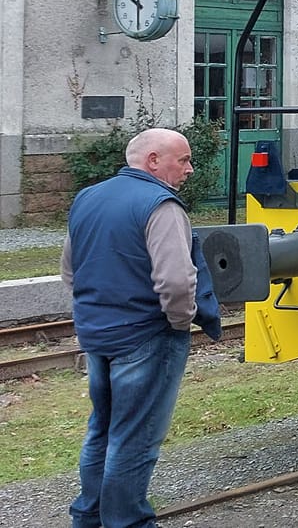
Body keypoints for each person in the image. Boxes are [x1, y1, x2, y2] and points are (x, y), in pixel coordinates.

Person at [62, 128, 223, 528]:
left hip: (98, 334)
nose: (190, 168)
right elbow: (175, 280)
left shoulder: (88, 197)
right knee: (135, 438)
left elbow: (70, 268)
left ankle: (89, 515)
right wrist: (180, 323)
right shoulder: (161, 205)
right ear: (154, 161)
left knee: (102, 427)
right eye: (183, 160)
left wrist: (96, 311)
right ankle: (127, 521)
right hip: (147, 336)